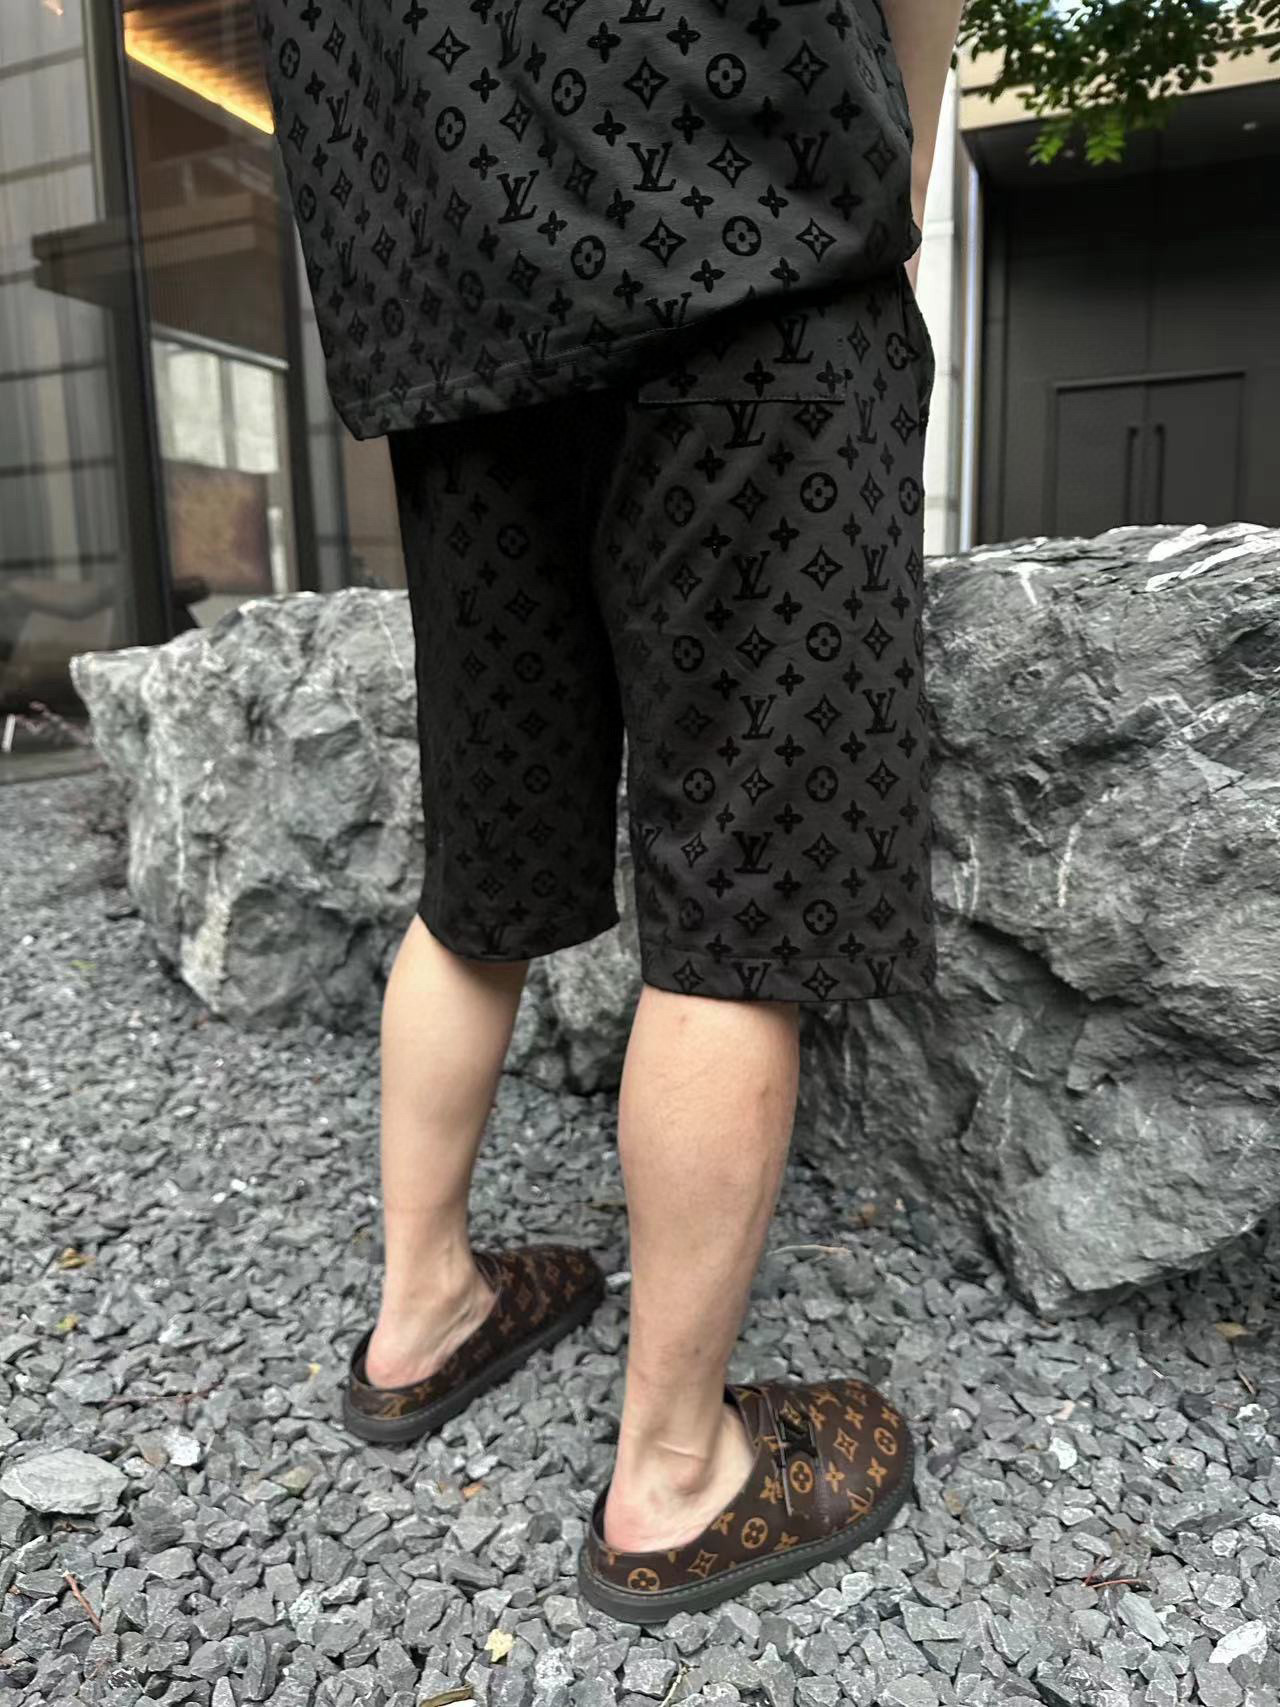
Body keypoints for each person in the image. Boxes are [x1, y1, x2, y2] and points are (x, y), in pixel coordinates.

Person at [252, 0, 965, 1623]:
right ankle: (676, 1471)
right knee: (741, 903)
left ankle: (422, 1309)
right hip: (738, 219)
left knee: (479, 880)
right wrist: (897, 167)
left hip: (448, 313)